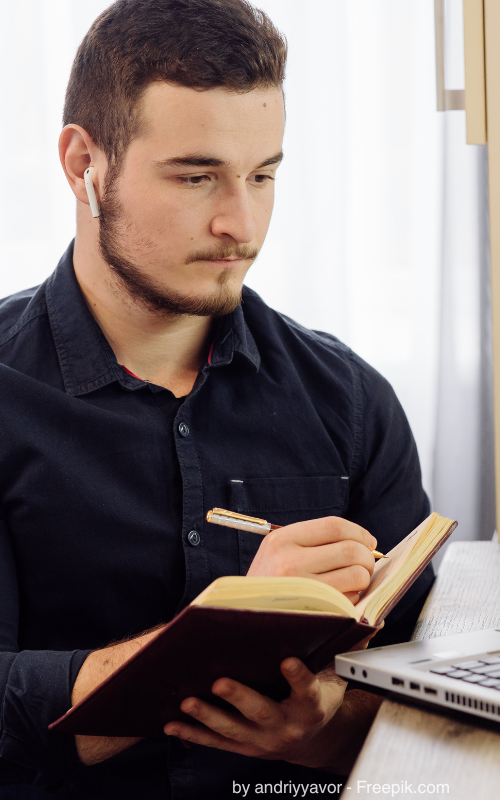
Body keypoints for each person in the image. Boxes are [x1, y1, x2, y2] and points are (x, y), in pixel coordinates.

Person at [0, 1, 433, 797]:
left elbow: (422, 691)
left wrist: (325, 735)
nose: (242, 222)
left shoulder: (351, 397)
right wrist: (220, 639)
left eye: (263, 174)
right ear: (81, 164)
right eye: (197, 176)